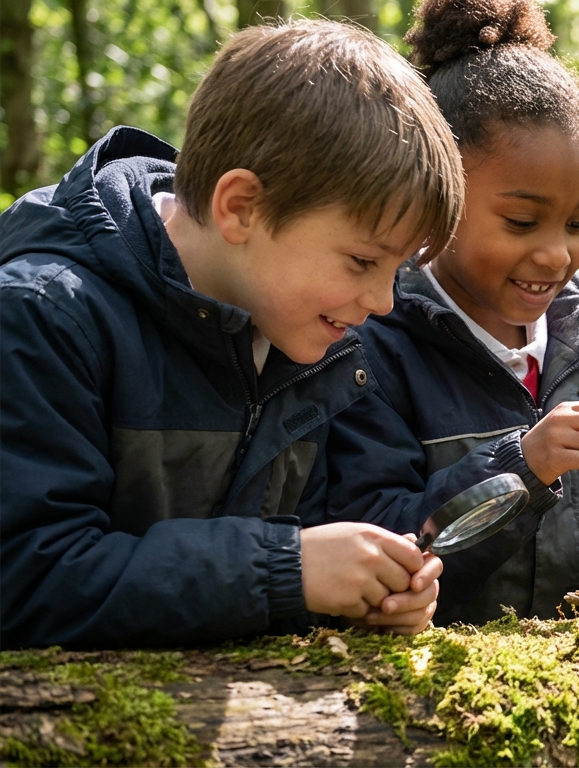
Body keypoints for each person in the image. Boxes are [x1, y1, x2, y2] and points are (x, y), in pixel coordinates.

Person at [0, 20, 466, 648]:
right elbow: (25, 578)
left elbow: (298, 559)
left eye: (397, 270)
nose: (382, 303)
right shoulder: (43, 317)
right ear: (241, 206)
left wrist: (364, 592)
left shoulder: (300, 335)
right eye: (362, 261)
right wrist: (286, 571)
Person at [320, 0, 579, 624]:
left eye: (578, 222)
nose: (555, 253)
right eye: (520, 221)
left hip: (575, 692)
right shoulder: (371, 343)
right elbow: (379, 544)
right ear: (438, 192)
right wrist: (522, 467)